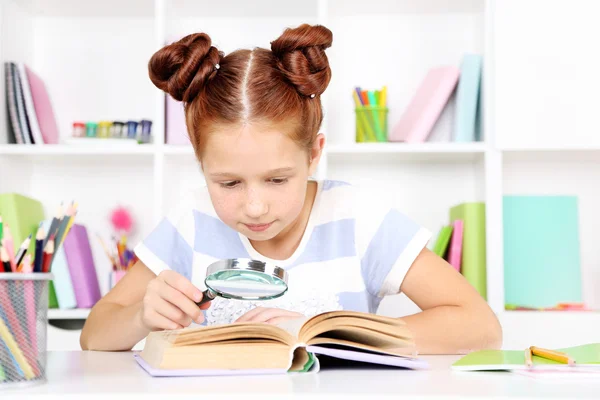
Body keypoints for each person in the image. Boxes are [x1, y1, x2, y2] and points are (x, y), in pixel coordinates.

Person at [80, 24, 502, 353]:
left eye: (278, 179)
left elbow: (479, 325)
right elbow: (95, 333)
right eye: (228, 182)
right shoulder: (191, 220)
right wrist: (140, 317)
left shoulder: (357, 217)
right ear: (199, 160)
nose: (256, 206)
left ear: (314, 153)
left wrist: (322, 334)